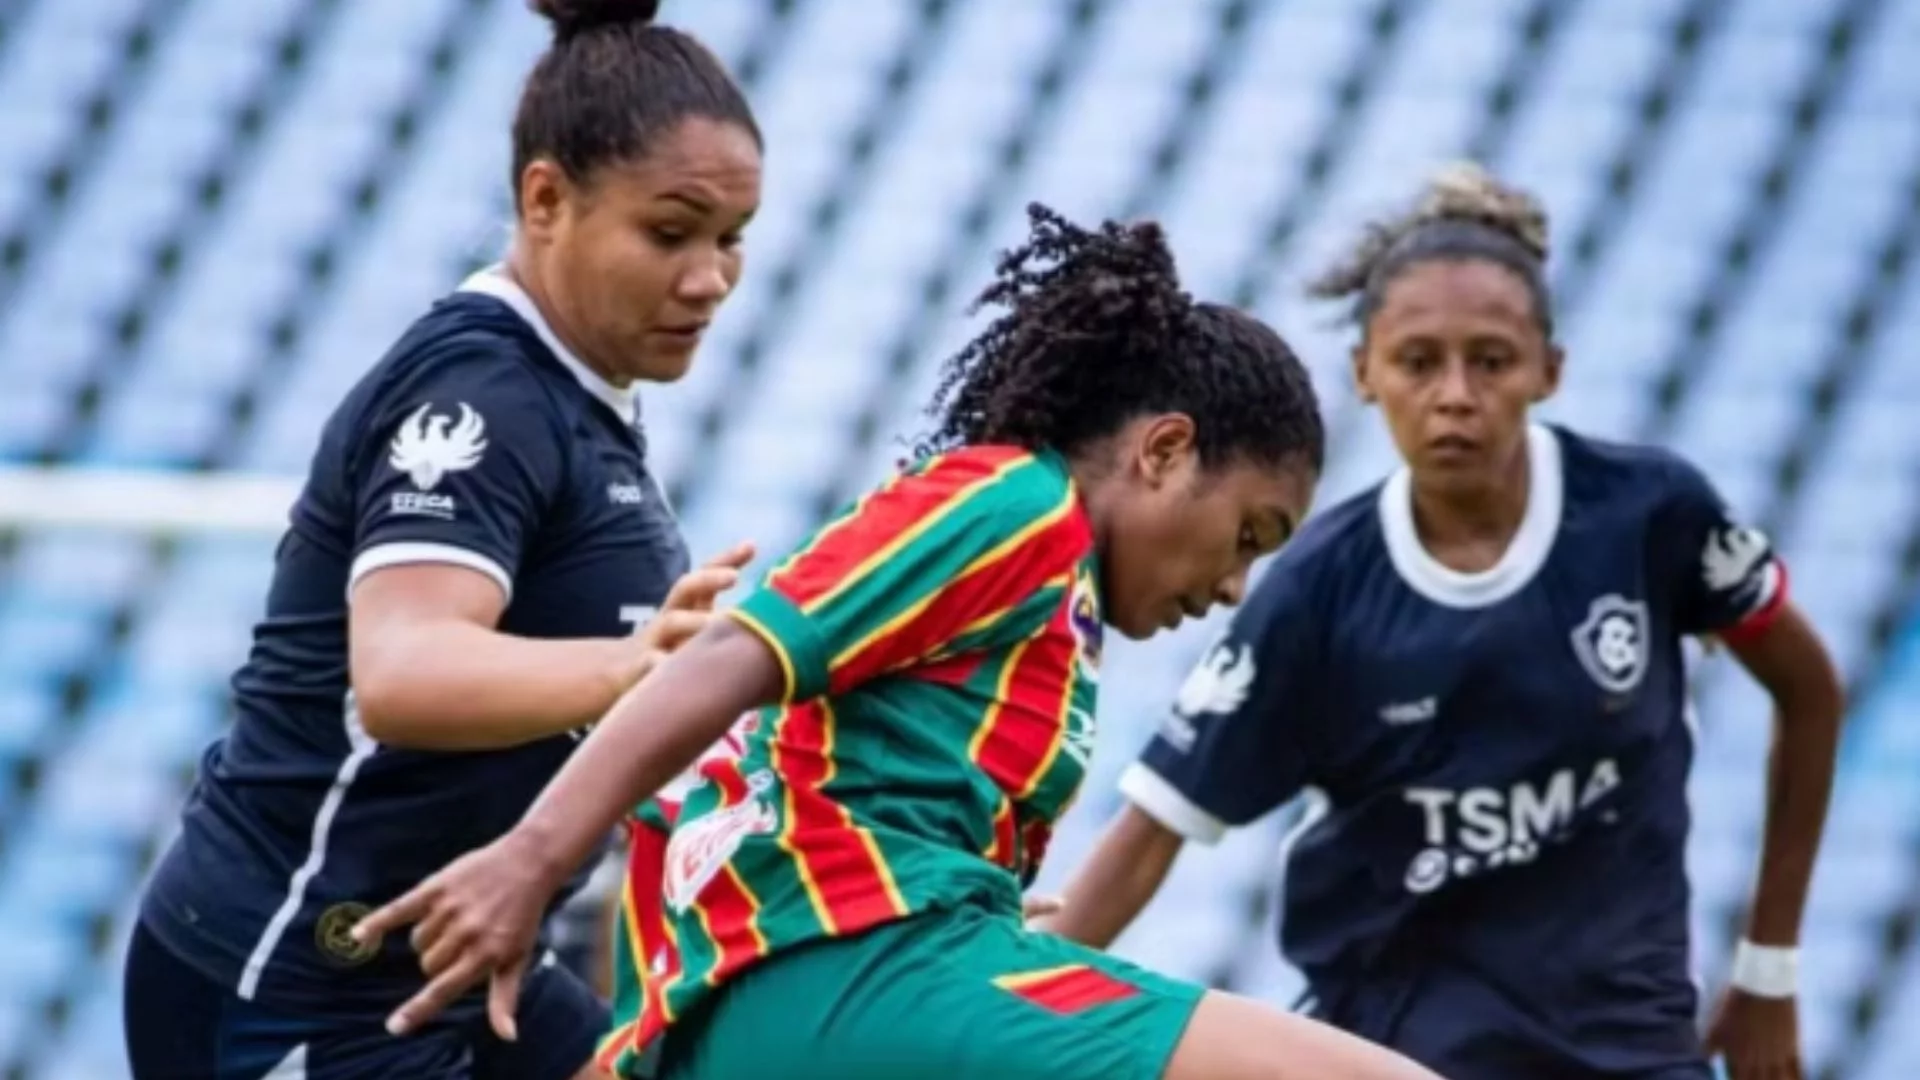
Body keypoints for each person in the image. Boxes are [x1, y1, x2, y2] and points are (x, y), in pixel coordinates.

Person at [350, 203, 1447, 1080]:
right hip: (851, 980)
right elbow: (734, 657)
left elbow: (796, 779)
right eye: (1245, 533)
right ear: (1163, 451)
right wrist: (535, 861)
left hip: (836, 984)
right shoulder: (1015, 503)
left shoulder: (1051, 591)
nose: (1233, 586)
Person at [1034, 164, 1848, 1080]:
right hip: (1405, 1052)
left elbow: (1810, 691)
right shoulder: (1320, 589)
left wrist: (1769, 971)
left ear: (1549, 368)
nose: (1455, 393)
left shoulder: (1652, 516)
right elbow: (1146, 846)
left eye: (1491, 360)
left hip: (1632, 1051)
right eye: (1419, 362)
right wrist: (1003, 1007)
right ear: (1367, 374)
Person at [121, 2, 762, 1077]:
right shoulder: (481, 393)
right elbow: (403, 672)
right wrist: (632, 670)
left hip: (439, 967)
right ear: (545, 199)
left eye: (730, 239)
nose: (708, 279)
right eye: (670, 233)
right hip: (294, 980)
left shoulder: (578, 395)